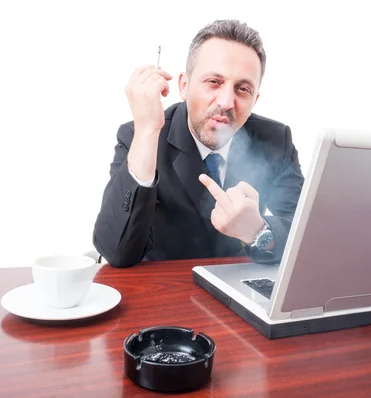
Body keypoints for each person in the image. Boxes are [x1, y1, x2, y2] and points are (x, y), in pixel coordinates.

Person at [93, 19, 304, 268]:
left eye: (242, 88)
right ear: (184, 86)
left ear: (255, 99)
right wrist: (147, 131)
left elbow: (306, 233)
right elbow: (116, 252)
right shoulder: (141, 136)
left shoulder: (276, 140)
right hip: (165, 292)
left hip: (241, 290)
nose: (226, 102)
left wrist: (259, 232)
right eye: (214, 82)